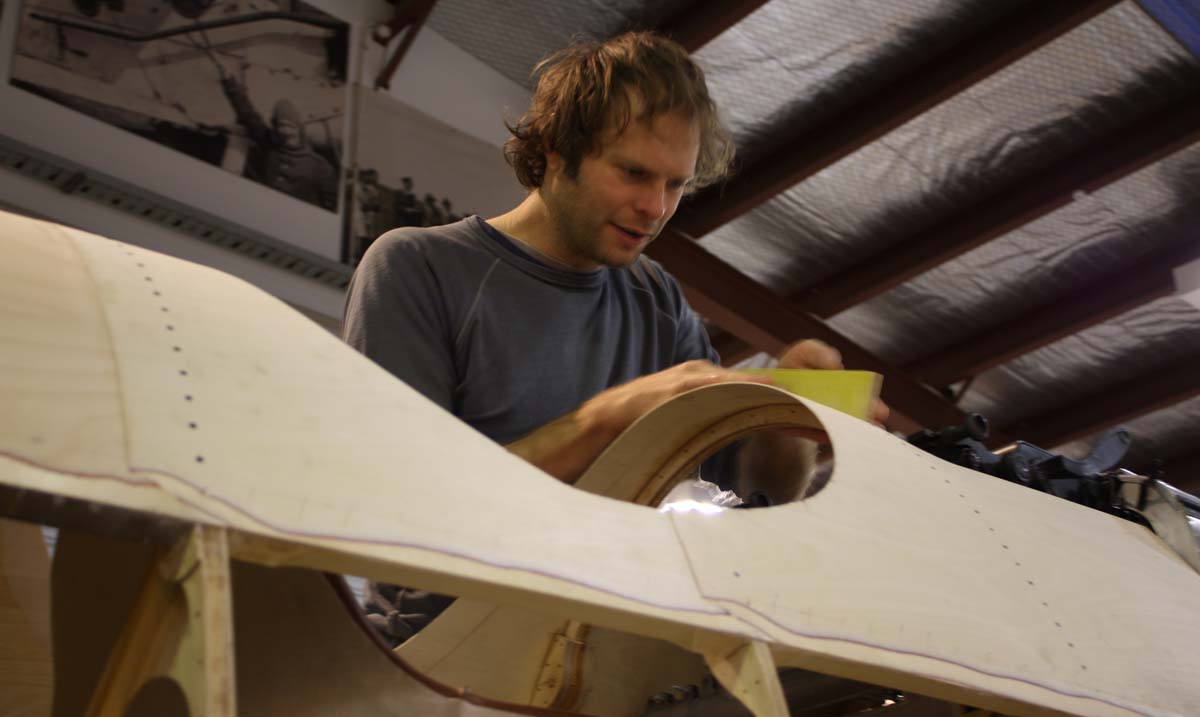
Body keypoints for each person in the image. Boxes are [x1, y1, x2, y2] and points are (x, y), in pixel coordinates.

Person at [342, 32, 883, 639]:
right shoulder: (419, 268)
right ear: (555, 149)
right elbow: (402, 516)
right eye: (633, 173)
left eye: (675, 184)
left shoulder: (657, 300)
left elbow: (751, 500)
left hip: (602, 647)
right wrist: (606, 421)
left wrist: (787, 425)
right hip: (439, 650)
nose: (655, 207)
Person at [220, 75, 338, 211]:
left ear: (300, 129)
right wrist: (230, 83)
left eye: (291, 126)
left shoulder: (319, 166)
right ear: (276, 128)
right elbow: (249, 116)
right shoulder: (270, 144)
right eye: (281, 126)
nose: (286, 132)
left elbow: (331, 204)